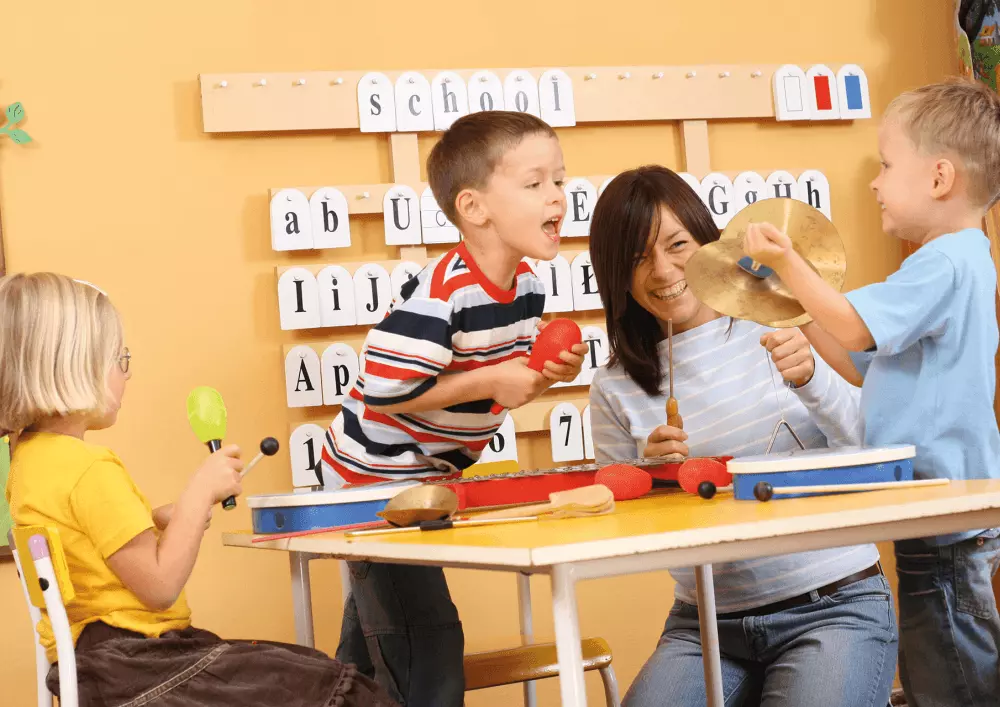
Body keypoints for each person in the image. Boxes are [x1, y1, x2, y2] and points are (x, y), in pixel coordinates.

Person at [2, 273, 398, 707]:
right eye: (120, 358)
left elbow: (89, 553)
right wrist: (199, 492)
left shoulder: (29, 464)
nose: (128, 373)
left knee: (300, 669)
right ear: (76, 366)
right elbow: (159, 586)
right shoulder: (89, 469)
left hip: (95, 671)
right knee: (334, 685)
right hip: (139, 668)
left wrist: (162, 522)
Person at [588, 166, 898, 707]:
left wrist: (813, 378)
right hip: (705, 624)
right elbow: (617, 529)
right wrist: (649, 481)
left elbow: (871, 447)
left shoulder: (780, 316)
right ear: (616, 275)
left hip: (834, 605)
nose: (663, 271)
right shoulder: (613, 386)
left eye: (677, 245)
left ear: (708, 242)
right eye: (637, 258)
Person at [744, 78, 1000, 707]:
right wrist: (794, 302)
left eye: (886, 166)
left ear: (939, 178)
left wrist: (790, 264)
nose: (875, 183)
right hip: (937, 517)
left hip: (946, 520)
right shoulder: (949, 263)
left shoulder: (947, 262)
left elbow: (855, 327)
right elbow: (857, 359)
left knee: (954, 684)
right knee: (937, 674)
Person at [320, 111, 588, 707]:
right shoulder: (443, 293)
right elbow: (381, 389)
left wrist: (543, 376)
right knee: (426, 647)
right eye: (535, 183)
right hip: (375, 479)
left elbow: (497, 387)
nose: (556, 196)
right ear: (474, 207)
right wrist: (492, 378)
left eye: (560, 180)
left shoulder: (526, 287)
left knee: (371, 651)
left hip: (425, 478)